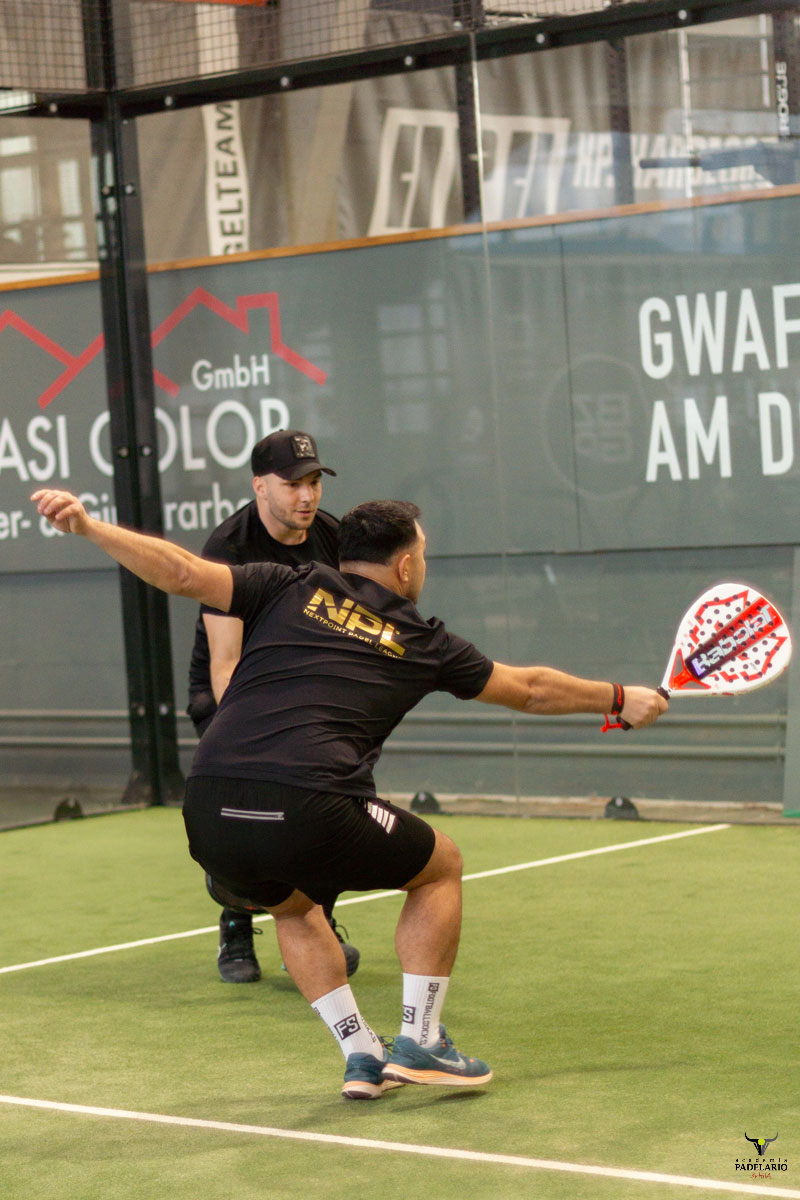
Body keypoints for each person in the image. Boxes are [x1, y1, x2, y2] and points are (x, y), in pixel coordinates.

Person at [32, 487, 668, 1101]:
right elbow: (529, 689)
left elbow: (180, 573)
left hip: (207, 808)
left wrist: (89, 527)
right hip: (310, 802)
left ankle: (361, 1051)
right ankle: (421, 1040)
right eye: (424, 555)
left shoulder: (286, 585)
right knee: (439, 865)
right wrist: (619, 696)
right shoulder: (423, 640)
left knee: (293, 905)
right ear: (407, 563)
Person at [186, 428, 359, 983]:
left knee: (323, 806)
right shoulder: (229, 547)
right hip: (231, 692)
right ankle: (235, 922)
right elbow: (225, 662)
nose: (306, 496)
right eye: (292, 485)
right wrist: (257, 743)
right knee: (243, 814)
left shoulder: (334, 538)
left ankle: (318, 923)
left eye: (313, 483)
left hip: (306, 687)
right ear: (260, 487)